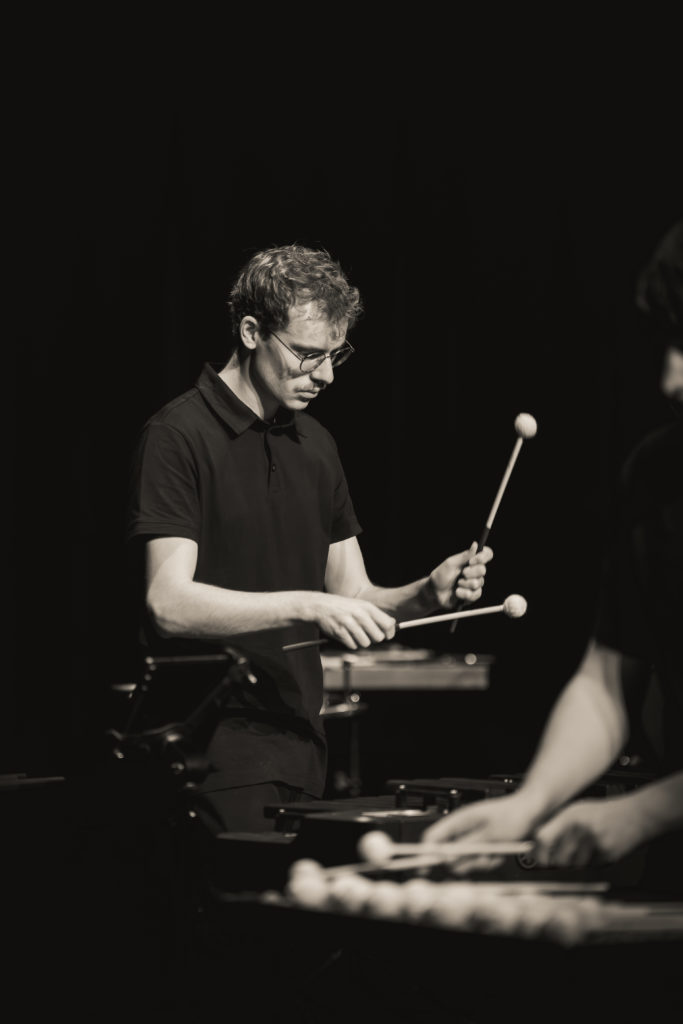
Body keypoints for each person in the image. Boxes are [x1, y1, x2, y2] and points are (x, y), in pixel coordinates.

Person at [126, 243, 493, 837]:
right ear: (250, 331)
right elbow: (168, 603)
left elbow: (352, 593)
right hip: (211, 750)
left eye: (335, 355)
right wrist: (306, 604)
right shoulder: (178, 435)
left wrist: (429, 591)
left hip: (303, 745)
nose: (324, 374)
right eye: (306, 355)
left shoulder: (316, 444)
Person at [423, 221, 683, 887]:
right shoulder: (655, 475)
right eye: (668, 343)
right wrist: (529, 804)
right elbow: (607, 681)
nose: (669, 377)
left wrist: (643, 813)